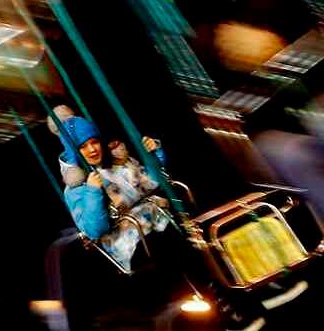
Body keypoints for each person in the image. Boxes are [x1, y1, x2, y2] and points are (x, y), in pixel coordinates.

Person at [50, 105, 266, 331]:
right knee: (179, 247)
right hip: (129, 242)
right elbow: (94, 229)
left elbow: (152, 183)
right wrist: (94, 193)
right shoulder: (77, 190)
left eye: (93, 142)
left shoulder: (119, 164)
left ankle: (245, 286)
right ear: (75, 152)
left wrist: (153, 155)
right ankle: (224, 307)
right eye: (83, 147)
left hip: (158, 222)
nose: (92, 149)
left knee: (206, 228)